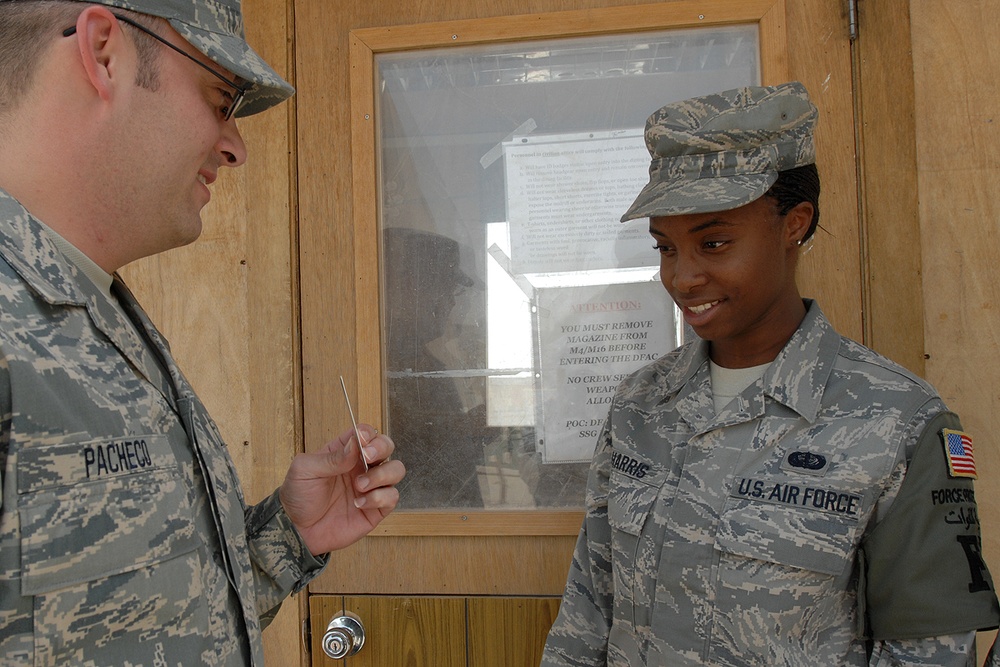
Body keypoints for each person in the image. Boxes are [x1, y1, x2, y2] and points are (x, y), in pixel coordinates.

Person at [0, 1, 405, 665]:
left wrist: (290, 536)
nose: (235, 145)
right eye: (222, 98)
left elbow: (134, 623)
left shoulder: (98, 307)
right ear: (104, 52)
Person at [541, 82, 1000, 666]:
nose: (683, 278)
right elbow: (588, 612)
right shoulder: (642, 405)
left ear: (794, 224)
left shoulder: (897, 421)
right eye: (666, 248)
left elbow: (928, 652)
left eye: (713, 242)